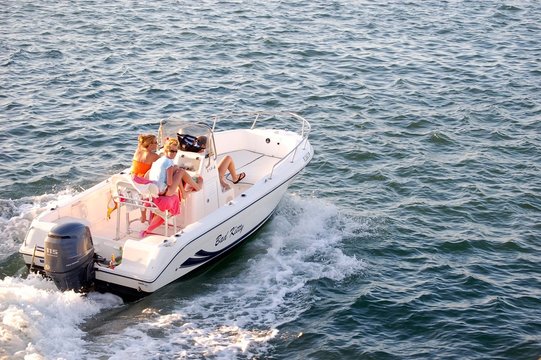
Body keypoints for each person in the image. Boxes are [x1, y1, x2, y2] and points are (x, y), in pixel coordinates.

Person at [142, 138, 203, 236]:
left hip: (155, 190)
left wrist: (175, 172)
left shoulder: (159, 161)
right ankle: (196, 187)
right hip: (165, 192)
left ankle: (183, 193)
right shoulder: (169, 163)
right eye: (172, 151)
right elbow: (170, 183)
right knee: (181, 172)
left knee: (178, 171)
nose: (174, 153)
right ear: (166, 150)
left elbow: (149, 175)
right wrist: (176, 174)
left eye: (176, 151)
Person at [131, 134, 160, 223]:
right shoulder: (154, 156)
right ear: (150, 144)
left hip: (133, 180)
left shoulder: (137, 151)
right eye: (155, 142)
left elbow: (140, 146)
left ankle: (143, 215)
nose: (157, 144)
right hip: (143, 182)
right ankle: (156, 214)